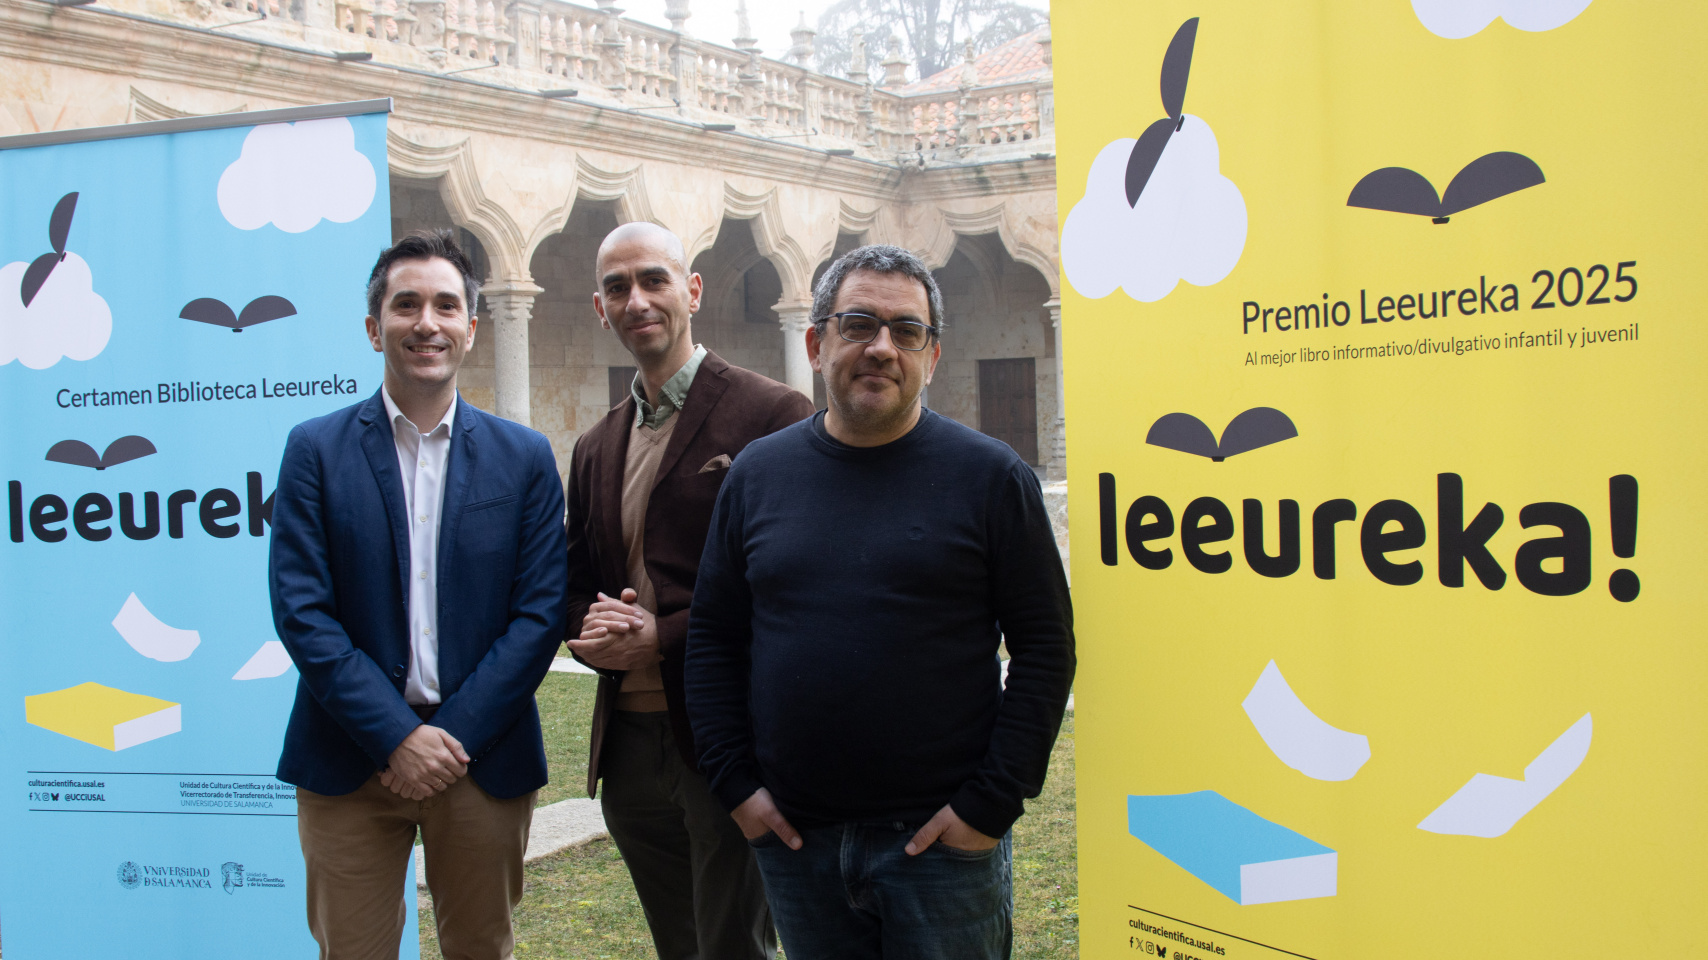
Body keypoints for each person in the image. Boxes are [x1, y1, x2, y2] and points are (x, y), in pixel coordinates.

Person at [684, 244, 1075, 960]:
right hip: (797, 844)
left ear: (932, 356)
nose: (882, 348)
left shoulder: (991, 478)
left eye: (907, 330)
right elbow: (713, 635)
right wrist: (737, 786)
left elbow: (1046, 649)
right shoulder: (758, 477)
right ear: (815, 342)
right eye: (859, 324)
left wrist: (988, 806)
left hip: (942, 853)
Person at [270, 230, 568, 960]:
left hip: (481, 759)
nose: (426, 323)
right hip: (349, 759)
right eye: (406, 305)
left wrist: (450, 738)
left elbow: (538, 614)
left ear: (471, 325)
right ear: (375, 327)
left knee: (480, 950)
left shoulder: (523, 458)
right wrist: (395, 737)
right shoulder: (315, 449)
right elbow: (302, 611)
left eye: (445, 305)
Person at [563, 221, 812, 960]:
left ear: (692, 291)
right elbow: (577, 578)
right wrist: (590, 631)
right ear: (599, 309)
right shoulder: (596, 445)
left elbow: (791, 584)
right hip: (631, 747)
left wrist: (661, 636)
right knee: (678, 945)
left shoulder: (772, 416)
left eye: (653, 280)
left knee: (734, 945)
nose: (636, 300)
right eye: (617, 288)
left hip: (724, 738)